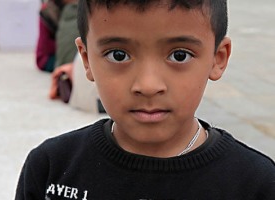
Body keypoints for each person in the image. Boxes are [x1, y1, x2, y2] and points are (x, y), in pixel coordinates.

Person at [15, 0, 275, 199]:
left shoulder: (255, 185)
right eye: (118, 55)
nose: (148, 86)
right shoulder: (51, 168)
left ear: (218, 58)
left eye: (180, 55)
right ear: (86, 59)